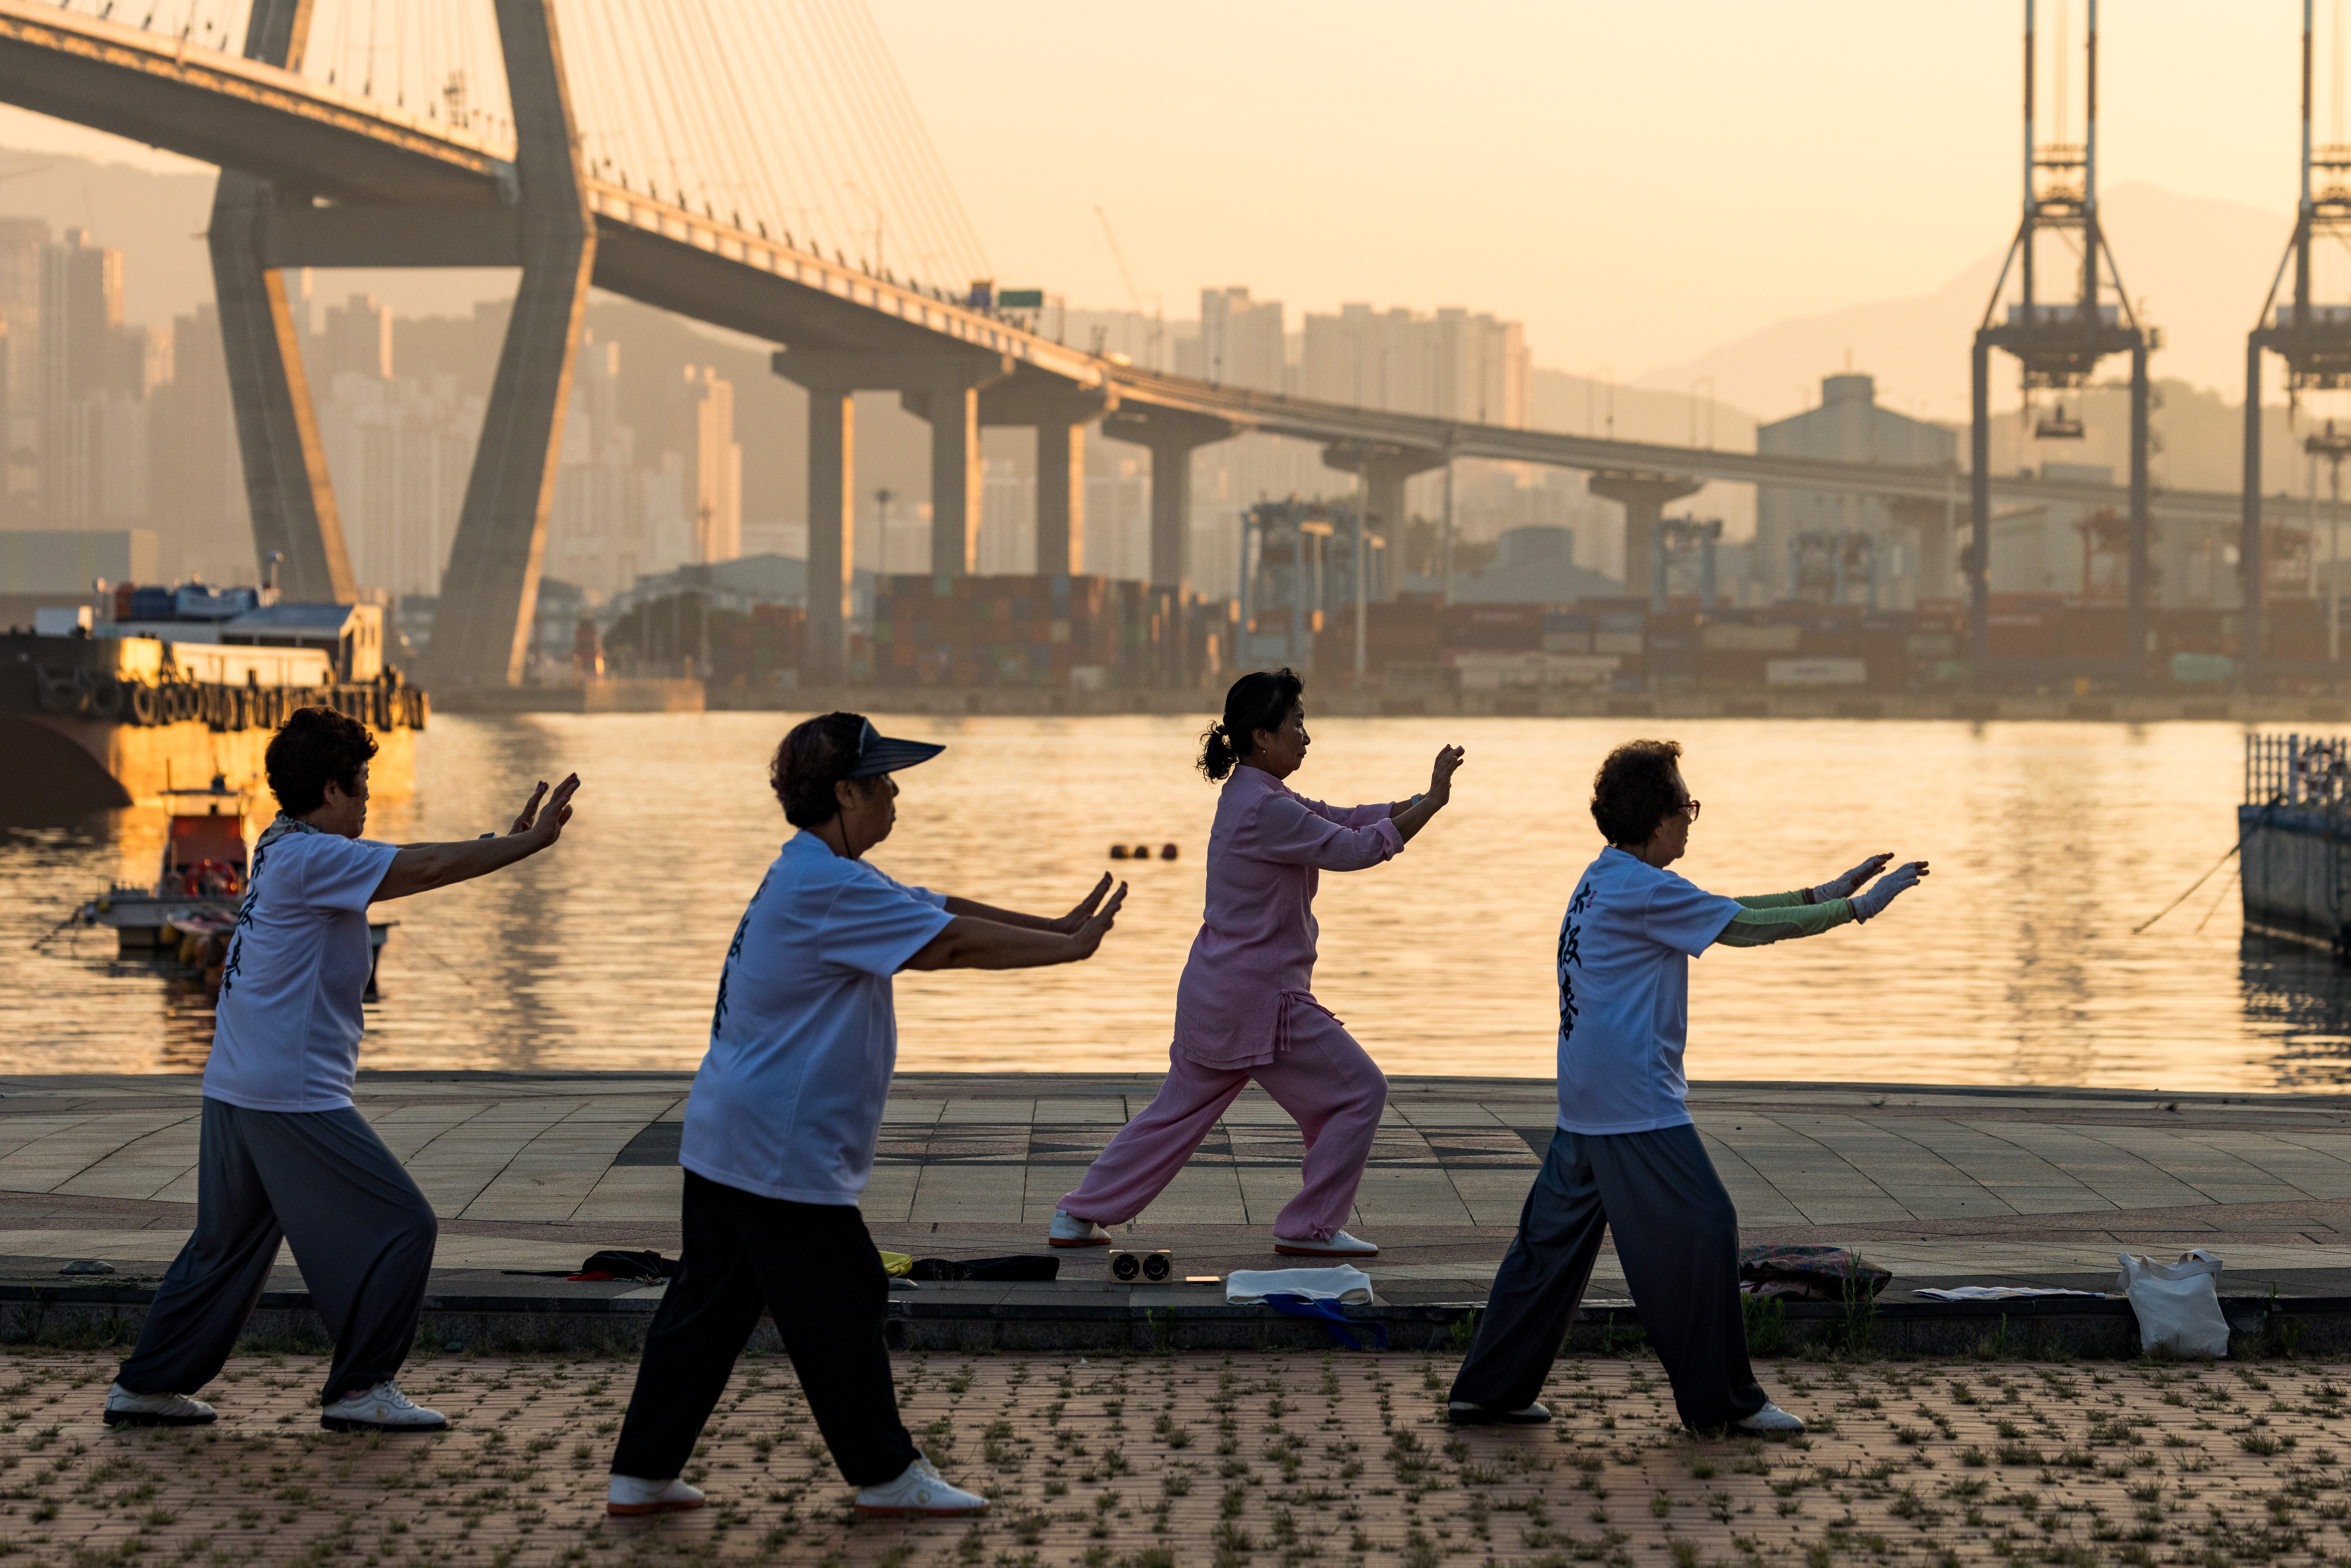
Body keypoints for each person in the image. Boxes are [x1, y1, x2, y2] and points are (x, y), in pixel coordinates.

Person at [605, 712, 1128, 1520]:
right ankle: (886, 1476)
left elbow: (936, 905)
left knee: (708, 1308)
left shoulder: (819, 872)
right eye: (883, 782)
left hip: (730, 1132)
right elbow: (945, 944)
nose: (894, 796)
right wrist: (1068, 950)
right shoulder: (827, 887)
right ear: (844, 793)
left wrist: (1055, 923)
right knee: (844, 1291)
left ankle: (641, 1473)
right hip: (774, 1145)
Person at [105, 705, 582, 1433]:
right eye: (360, 785)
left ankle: (146, 1385)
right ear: (330, 789)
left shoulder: (280, 843)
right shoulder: (313, 857)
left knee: (225, 1248)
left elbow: (410, 869)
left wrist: (496, 843)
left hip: (237, 1083)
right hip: (287, 1094)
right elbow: (418, 864)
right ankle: (361, 1386)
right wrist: (527, 846)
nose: (368, 799)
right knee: (402, 1224)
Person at [1447, 738, 1926, 1434]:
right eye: (1686, 804)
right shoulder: (1644, 889)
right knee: (1706, 1229)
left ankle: (1488, 1390)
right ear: (1659, 817)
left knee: (1545, 1253)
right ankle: (1725, 1403)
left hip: (1587, 1102)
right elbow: (1744, 928)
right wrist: (1857, 911)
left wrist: (1824, 891)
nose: (1692, 817)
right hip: (1633, 1108)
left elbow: (1724, 907)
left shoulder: (1606, 876)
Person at [1047, 668, 1464, 1261]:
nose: (1306, 735)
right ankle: (1309, 1224)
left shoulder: (1256, 795)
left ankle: (1078, 1213)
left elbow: (1342, 816)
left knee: (1174, 1113)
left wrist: (1420, 798)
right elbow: (1356, 847)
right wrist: (1434, 804)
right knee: (1358, 1091)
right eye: (1296, 722)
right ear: (1262, 737)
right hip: (1261, 1000)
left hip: (1217, 991)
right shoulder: (1266, 808)